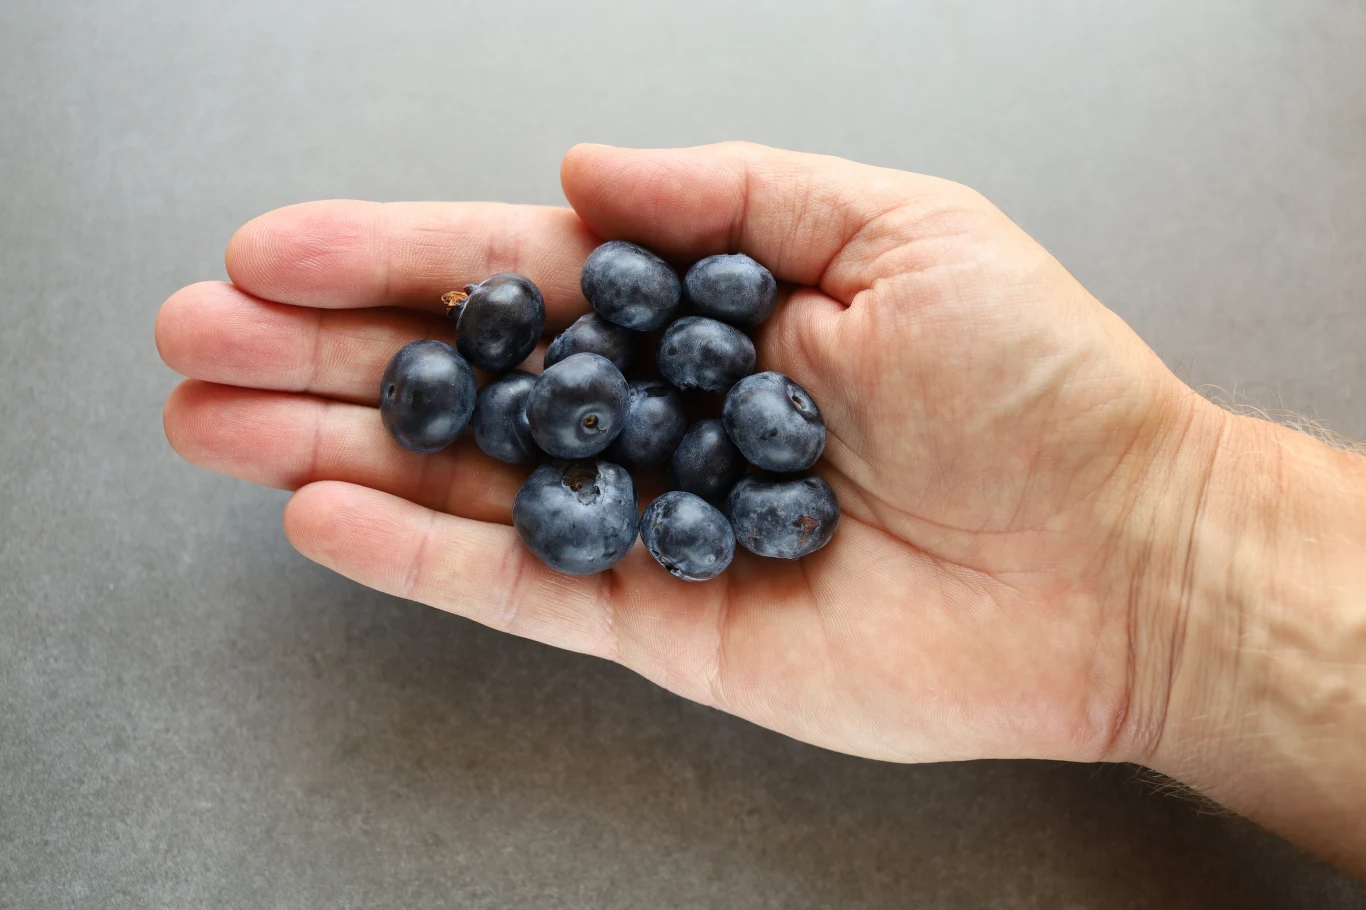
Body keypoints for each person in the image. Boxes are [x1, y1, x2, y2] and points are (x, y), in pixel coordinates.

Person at [154, 143, 1366, 875]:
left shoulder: (688, 417)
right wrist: (1170, 554)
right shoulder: (611, 399)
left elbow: (662, 421)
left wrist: (1162, 524)